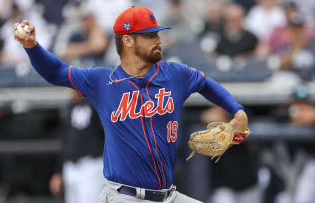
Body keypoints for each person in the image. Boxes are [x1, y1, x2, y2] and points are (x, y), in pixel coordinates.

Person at [13, 6, 248, 203]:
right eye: (149, 35)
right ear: (127, 40)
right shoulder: (102, 81)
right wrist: (33, 48)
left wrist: (236, 110)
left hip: (168, 195)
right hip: (124, 196)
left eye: (157, 34)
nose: (158, 40)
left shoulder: (175, 74)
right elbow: (56, 72)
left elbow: (206, 84)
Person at [49, 90, 104, 203]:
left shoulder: (95, 104)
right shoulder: (67, 107)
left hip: (91, 165)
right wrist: (58, 172)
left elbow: (107, 135)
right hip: (70, 166)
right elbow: (65, 142)